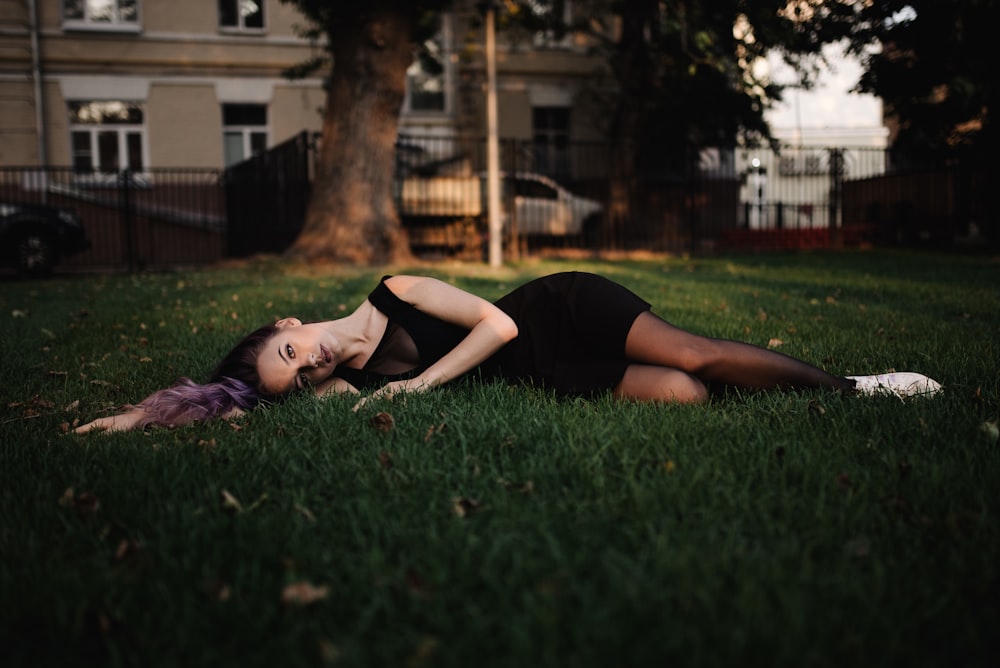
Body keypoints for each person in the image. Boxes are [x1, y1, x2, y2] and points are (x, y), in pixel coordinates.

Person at [74, 272, 942, 434]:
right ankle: (788, 392)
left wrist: (420, 390)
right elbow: (236, 409)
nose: (309, 366)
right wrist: (141, 413)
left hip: (559, 314)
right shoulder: (344, 388)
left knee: (694, 352)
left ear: (288, 321)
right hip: (550, 376)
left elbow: (498, 327)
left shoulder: (394, 289)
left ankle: (855, 386)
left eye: (291, 350)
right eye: (297, 376)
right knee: (685, 396)